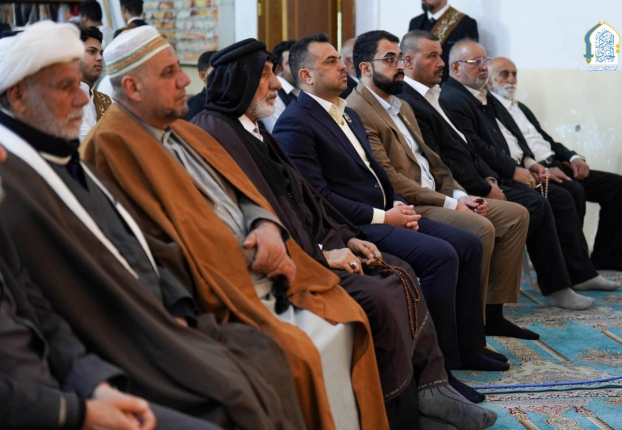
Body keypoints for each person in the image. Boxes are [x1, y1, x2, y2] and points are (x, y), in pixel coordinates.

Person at [0, 20, 307, 429]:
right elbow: (46, 303)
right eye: (65, 87)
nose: (82, 98)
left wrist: (176, 306)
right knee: (239, 393)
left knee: (265, 356)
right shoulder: (28, 176)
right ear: (18, 96)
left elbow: (134, 240)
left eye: (79, 84)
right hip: (122, 337)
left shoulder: (64, 153)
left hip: (162, 312)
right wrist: (88, 391)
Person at [83, 26, 387, 430]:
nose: (185, 81)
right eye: (170, 73)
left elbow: (244, 191)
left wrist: (265, 225)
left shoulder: (184, 129)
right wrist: (252, 252)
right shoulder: (110, 145)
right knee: (300, 354)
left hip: (265, 262)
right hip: (223, 286)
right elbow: (152, 243)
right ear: (133, 88)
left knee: (354, 315)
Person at [191, 38, 497, 430]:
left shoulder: (251, 129)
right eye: (266, 76)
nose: (276, 85)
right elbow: (266, 211)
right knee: (384, 288)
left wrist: (347, 238)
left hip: (331, 235)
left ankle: (431, 387)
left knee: (399, 271)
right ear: (242, 80)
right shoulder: (219, 131)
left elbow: (306, 200)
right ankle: (405, 411)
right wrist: (324, 250)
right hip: (296, 256)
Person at [274, 31, 512, 395]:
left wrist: (395, 204)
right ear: (306, 76)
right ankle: (439, 371)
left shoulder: (347, 113)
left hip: (384, 211)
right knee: (441, 255)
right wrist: (384, 216)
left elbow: (376, 174)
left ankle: (468, 346)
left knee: (468, 244)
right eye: (331, 61)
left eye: (339, 59)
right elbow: (319, 197)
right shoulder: (297, 121)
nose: (342, 66)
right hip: (354, 226)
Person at [348, 29, 533, 340]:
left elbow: (435, 161)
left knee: (516, 214)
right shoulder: (357, 109)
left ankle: (491, 314)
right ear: (366, 68)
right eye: (391, 59)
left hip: (438, 194)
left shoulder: (401, 105)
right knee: (480, 227)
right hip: (411, 204)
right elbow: (390, 177)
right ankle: (468, 328)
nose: (400, 66)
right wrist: (451, 203)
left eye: (400, 58)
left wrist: (459, 193)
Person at [0, 193, 222, 430]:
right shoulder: (22, 193)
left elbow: (45, 319)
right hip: (45, 412)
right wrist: (78, 413)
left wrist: (96, 386)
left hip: (67, 394)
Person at [440, 40, 618, 309]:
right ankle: (556, 284)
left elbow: (514, 138)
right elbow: (475, 147)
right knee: (546, 202)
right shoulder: (453, 98)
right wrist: (508, 172)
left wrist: (529, 162)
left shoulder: (482, 96)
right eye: (476, 62)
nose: (484, 67)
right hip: (485, 177)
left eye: (485, 61)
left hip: (507, 169)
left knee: (565, 194)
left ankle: (576, 274)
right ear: (455, 68)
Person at [488, 57, 622, 272]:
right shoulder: (491, 110)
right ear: (489, 81)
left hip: (557, 164)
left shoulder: (520, 108)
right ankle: (574, 265)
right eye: (504, 74)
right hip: (535, 171)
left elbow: (548, 141)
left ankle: (607, 257)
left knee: (617, 186)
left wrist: (574, 157)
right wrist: (539, 168)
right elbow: (508, 151)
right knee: (573, 191)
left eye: (514, 73)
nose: (511, 79)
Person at [408, 0, 477, 82]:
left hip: (447, 86)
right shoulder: (415, 23)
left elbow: (468, 63)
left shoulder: (466, 24)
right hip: (419, 84)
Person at [79, 26, 112, 144]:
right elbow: (90, 144)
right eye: (92, 51)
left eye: (101, 53)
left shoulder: (105, 100)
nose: (100, 58)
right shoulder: (64, 100)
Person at [261, 40, 298, 133]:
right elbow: (280, 133)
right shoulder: (273, 94)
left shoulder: (302, 89)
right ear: (278, 69)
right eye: (291, 63)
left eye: (299, 62)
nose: (298, 67)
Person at [186, 50, 216, 121]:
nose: (223, 75)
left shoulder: (229, 100)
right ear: (203, 76)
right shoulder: (197, 104)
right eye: (217, 71)